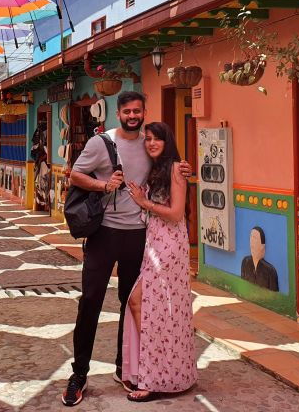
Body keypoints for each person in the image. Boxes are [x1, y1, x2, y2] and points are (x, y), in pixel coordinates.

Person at [62, 91, 191, 407]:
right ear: (117, 113)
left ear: (144, 111)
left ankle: (126, 367)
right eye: (127, 111)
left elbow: (170, 166)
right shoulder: (101, 143)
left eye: (137, 111)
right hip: (104, 234)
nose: (132, 116)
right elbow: (74, 174)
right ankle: (79, 374)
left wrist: (183, 168)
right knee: (90, 300)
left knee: (131, 304)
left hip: (140, 236)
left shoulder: (150, 143)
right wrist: (103, 185)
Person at [122, 122, 197, 402]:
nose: (151, 143)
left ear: (168, 141)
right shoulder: (156, 169)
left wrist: (145, 203)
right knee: (158, 310)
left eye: (157, 139)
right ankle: (161, 373)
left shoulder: (176, 168)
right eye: (148, 139)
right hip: (155, 244)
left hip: (168, 248)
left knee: (145, 304)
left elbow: (176, 214)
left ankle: (155, 378)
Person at [241, 227, 279, 292]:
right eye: (251, 237)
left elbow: (274, 295)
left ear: (262, 246)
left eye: (255, 238)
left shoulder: (270, 270)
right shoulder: (245, 262)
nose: (251, 241)